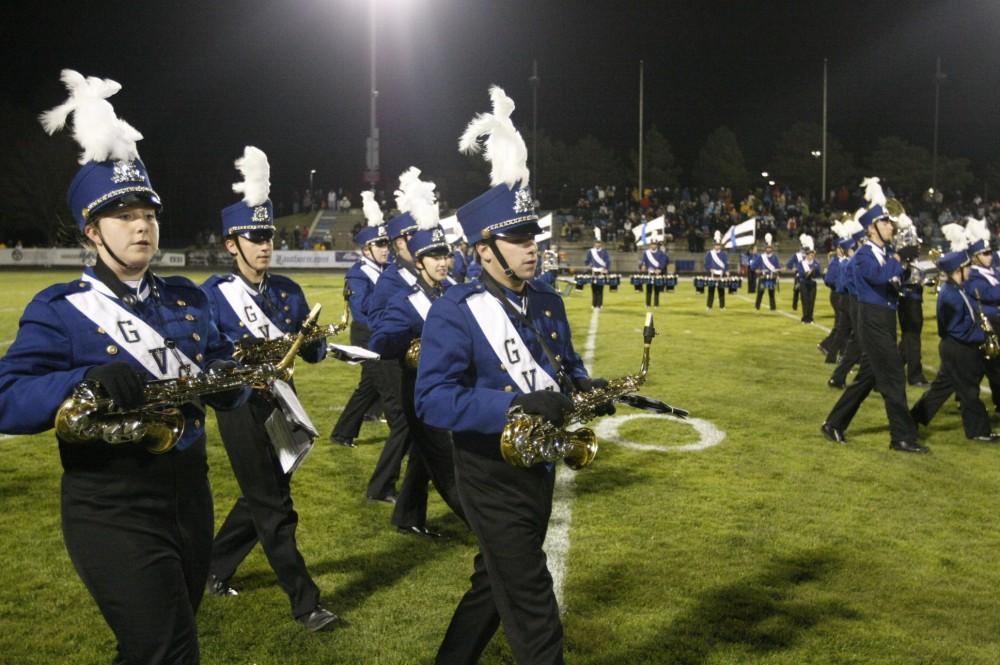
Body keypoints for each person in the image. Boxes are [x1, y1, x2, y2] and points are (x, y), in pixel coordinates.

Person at [0, 70, 248, 664]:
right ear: (92, 231)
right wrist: (81, 380)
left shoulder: (189, 299)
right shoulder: (60, 310)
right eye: (122, 215)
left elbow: (220, 374)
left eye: (148, 213)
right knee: (169, 650)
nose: (141, 225)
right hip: (109, 503)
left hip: (190, 496)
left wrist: (234, 383)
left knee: (152, 645)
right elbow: (7, 395)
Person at [417, 85, 611, 665]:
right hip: (489, 472)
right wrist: (512, 407)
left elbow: (564, 366)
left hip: (540, 463)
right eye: (518, 239)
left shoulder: (547, 301)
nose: (533, 249)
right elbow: (432, 399)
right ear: (483, 250)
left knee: (494, 583)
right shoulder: (457, 309)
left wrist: (586, 389)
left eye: (535, 237)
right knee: (531, 600)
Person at [201, 147, 338, 632]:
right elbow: (208, 357)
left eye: (269, 236)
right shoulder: (213, 295)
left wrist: (316, 342)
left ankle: (212, 567)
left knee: (264, 495)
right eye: (254, 237)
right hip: (240, 407)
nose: (264, 245)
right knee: (276, 507)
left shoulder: (287, 290)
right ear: (231, 244)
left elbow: (312, 353)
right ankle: (306, 603)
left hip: (282, 404)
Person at [369, 206, 467, 537]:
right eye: (433, 256)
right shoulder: (405, 300)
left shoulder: (453, 290)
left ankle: (407, 515)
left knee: (425, 458)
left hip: (452, 388)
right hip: (420, 392)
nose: (442, 262)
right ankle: (484, 525)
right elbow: (381, 339)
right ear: (419, 261)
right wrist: (408, 339)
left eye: (445, 255)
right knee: (447, 463)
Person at [822, 180, 925, 453]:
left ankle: (833, 423)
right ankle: (902, 437)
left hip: (885, 318)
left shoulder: (885, 253)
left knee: (866, 378)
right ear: (871, 228)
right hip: (872, 320)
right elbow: (878, 276)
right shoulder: (863, 255)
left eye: (891, 222)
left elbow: (892, 279)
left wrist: (908, 269)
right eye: (885, 222)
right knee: (892, 377)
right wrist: (900, 260)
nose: (891, 226)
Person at [910, 250, 999, 442]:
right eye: (967, 266)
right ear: (959, 269)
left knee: (941, 389)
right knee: (969, 391)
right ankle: (978, 431)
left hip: (955, 348)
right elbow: (957, 329)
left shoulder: (958, 289)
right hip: (958, 348)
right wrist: (984, 334)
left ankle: (912, 420)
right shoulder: (951, 294)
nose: (970, 270)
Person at [328, 193, 390, 448]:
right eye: (380, 244)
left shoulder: (384, 271)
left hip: (381, 332)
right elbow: (363, 308)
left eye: (387, 243)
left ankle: (362, 419)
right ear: (367, 249)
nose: (386, 249)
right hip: (367, 333)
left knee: (372, 383)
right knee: (378, 383)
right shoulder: (358, 274)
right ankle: (343, 432)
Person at [751, 235, 781, 311]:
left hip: (772, 277)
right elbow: (753, 266)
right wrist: (757, 270)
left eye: (770, 248)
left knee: (771, 293)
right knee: (760, 293)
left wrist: (777, 275)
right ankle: (757, 307)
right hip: (763, 277)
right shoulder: (761, 257)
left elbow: (777, 268)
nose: (768, 249)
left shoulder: (775, 257)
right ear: (765, 248)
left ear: (772, 248)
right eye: (767, 248)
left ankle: (773, 308)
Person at [584, 234, 611, 309]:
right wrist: (588, 264)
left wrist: (606, 268)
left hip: (601, 272)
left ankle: (600, 304)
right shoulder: (591, 251)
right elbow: (587, 260)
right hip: (593, 271)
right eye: (596, 243)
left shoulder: (604, 252)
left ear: (601, 244)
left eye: (599, 243)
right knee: (593, 288)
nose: (597, 244)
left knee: (600, 289)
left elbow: (608, 261)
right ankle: (594, 304)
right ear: (594, 244)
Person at [704, 232, 728, 310]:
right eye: (716, 245)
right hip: (712, 274)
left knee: (721, 291)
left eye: (718, 245)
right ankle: (709, 306)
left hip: (721, 275)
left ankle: (722, 306)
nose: (717, 246)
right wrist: (710, 269)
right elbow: (706, 264)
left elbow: (726, 264)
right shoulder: (709, 254)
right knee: (711, 291)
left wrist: (726, 271)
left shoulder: (724, 254)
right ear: (714, 245)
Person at [797, 241, 820, 324]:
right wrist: (808, 273)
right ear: (807, 255)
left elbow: (818, 274)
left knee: (811, 300)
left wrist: (813, 272)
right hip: (804, 283)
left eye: (812, 255)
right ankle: (805, 317)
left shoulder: (816, 263)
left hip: (812, 283)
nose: (811, 256)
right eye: (810, 255)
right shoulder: (801, 263)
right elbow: (801, 273)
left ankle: (810, 318)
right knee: (805, 300)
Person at [640, 241, 668, 307]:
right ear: (650, 245)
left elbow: (664, 261)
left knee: (657, 289)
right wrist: (643, 266)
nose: (653, 246)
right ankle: (647, 304)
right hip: (649, 272)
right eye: (652, 244)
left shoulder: (660, 253)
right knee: (648, 289)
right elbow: (644, 261)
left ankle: (656, 304)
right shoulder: (646, 253)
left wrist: (660, 269)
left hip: (657, 273)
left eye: (655, 244)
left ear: (656, 245)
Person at [786, 239, 806, 311]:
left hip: (806, 276)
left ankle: (800, 306)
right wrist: (793, 268)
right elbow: (788, 264)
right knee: (797, 291)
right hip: (799, 276)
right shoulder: (797, 255)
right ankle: (794, 306)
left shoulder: (809, 255)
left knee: (803, 292)